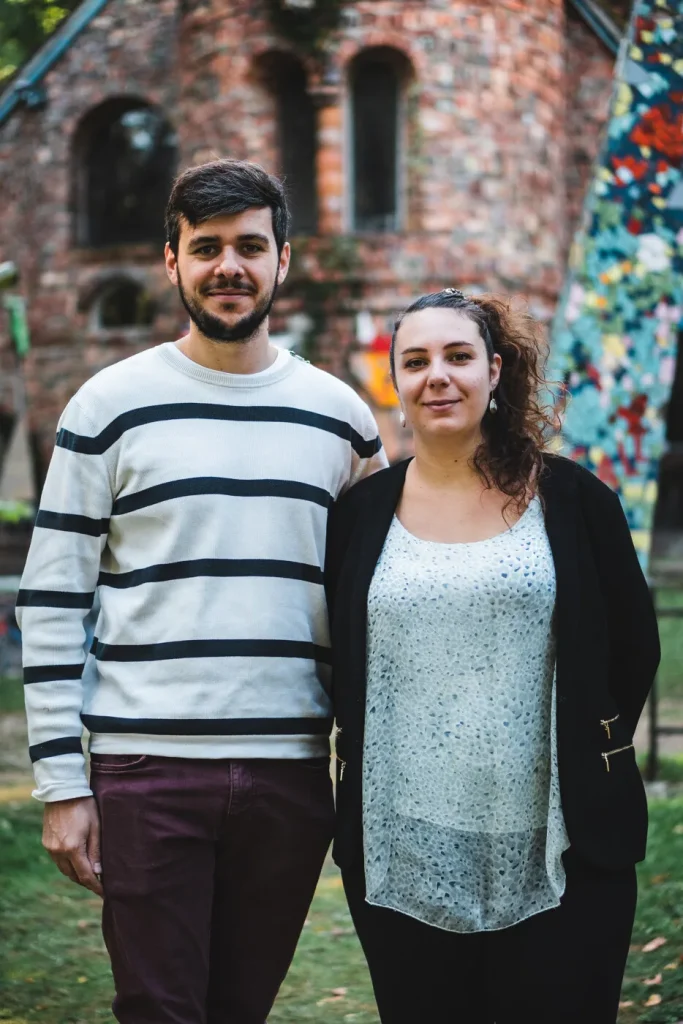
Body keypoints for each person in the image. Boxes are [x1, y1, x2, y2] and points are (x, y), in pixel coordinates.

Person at [16, 159, 387, 1024]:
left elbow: (376, 600)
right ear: (172, 261)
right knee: (159, 1008)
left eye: (250, 246)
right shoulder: (110, 405)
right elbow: (51, 598)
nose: (231, 266)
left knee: (239, 1008)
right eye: (207, 247)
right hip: (145, 771)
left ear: (282, 260)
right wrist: (63, 786)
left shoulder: (342, 421)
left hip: (290, 774)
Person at [325, 288, 660, 1024]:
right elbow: (339, 659)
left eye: (456, 356)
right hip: (400, 843)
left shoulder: (574, 501)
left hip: (561, 844)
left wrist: (582, 743)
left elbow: (634, 644)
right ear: (396, 380)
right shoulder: (359, 514)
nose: (435, 376)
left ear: (495, 369)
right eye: (414, 361)